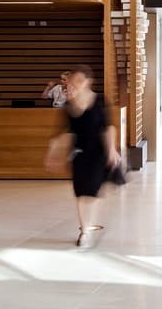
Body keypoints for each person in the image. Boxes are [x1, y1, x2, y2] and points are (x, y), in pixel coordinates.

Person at [45, 65, 121, 248]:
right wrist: (52, 153)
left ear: (88, 82)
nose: (75, 85)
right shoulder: (69, 106)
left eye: (79, 81)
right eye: (73, 81)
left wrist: (112, 149)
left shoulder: (100, 101)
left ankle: (88, 225)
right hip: (79, 153)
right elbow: (64, 133)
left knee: (92, 193)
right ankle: (84, 231)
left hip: (98, 153)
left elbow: (109, 127)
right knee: (80, 193)